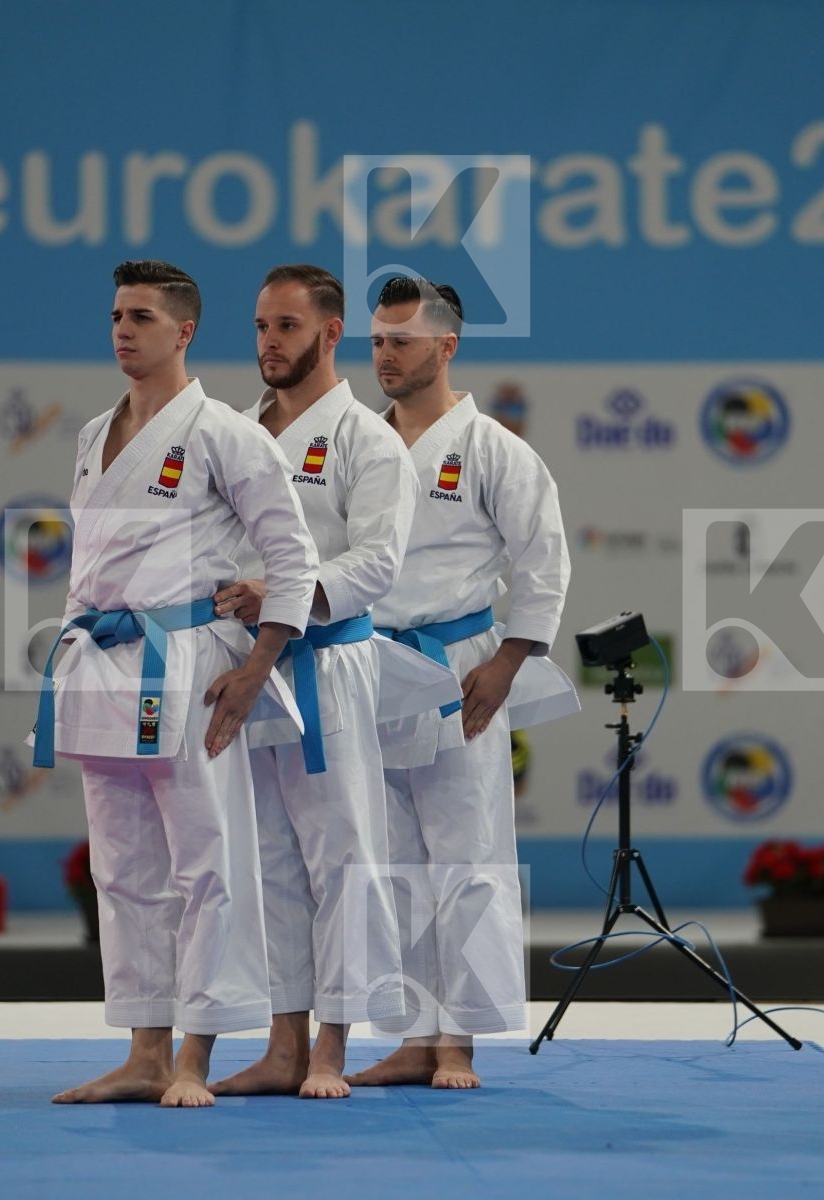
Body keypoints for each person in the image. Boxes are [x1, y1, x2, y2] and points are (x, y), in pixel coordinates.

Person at [41, 259, 320, 1108]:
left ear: (185, 331)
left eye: (142, 318)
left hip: (189, 664)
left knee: (207, 863)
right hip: (102, 660)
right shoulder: (95, 433)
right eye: (117, 315)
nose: (124, 330)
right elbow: (88, 569)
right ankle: (144, 1050)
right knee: (121, 867)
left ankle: (197, 1053)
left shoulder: (224, 433)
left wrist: (256, 666)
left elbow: (293, 558)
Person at [210, 264, 459, 1100]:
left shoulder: (368, 439)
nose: (268, 343)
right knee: (269, 859)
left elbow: (378, 563)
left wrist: (283, 596)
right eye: (259, 326)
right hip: (248, 668)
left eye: (285, 326)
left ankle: (332, 1047)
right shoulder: (236, 431)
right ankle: (281, 1043)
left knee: (343, 854)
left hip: (330, 664)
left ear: (328, 333)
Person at [347, 277, 579, 1091]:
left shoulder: (495, 451)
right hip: (368, 666)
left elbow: (542, 562)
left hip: (457, 668)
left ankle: (459, 1042)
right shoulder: (353, 446)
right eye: (376, 340)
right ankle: (412, 1035)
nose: (384, 356)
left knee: (466, 853)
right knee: (390, 860)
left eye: (401, 341)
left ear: (447, 346)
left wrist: (510, 660)